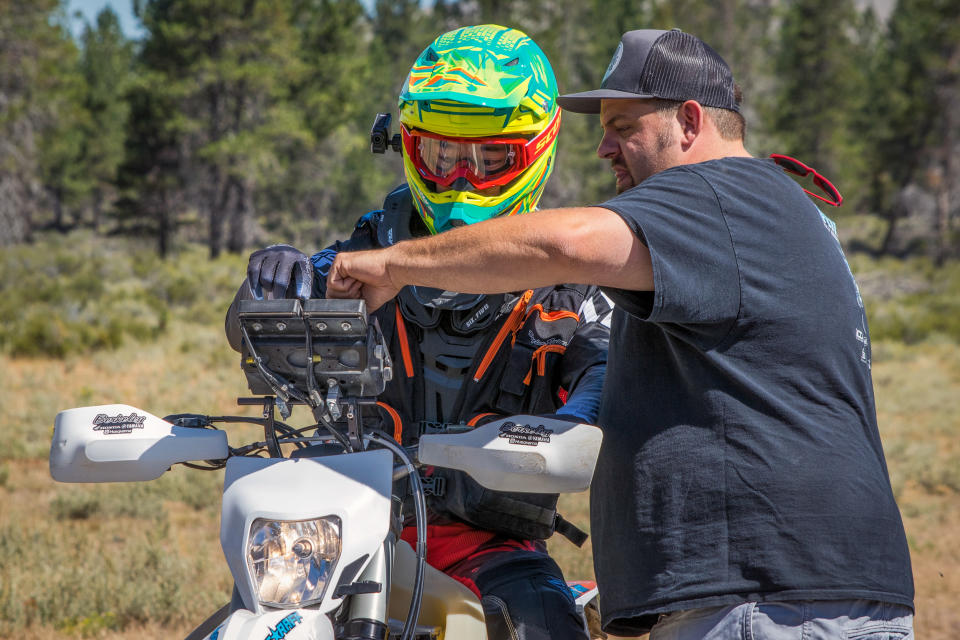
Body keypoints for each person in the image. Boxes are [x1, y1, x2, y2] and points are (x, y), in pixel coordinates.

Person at [326, 28, 916, 640]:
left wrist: (389, 264)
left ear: (689, 122)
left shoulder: (715, 196)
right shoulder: (760, 209)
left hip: (767, 597)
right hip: (783, 590)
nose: (604, 147)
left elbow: (566, 245)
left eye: (624, 125)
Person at [227, 24, 611, 640]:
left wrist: (574, 425)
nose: (462, 177)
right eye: (441, 155)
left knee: (544, 623)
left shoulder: (568, 280)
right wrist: (278, 281)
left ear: (536, 152)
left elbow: (605, 370)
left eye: (489, 159)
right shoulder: (369, 248)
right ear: (406, 146)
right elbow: (261, 317)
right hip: (342, 528)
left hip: (489, 548)